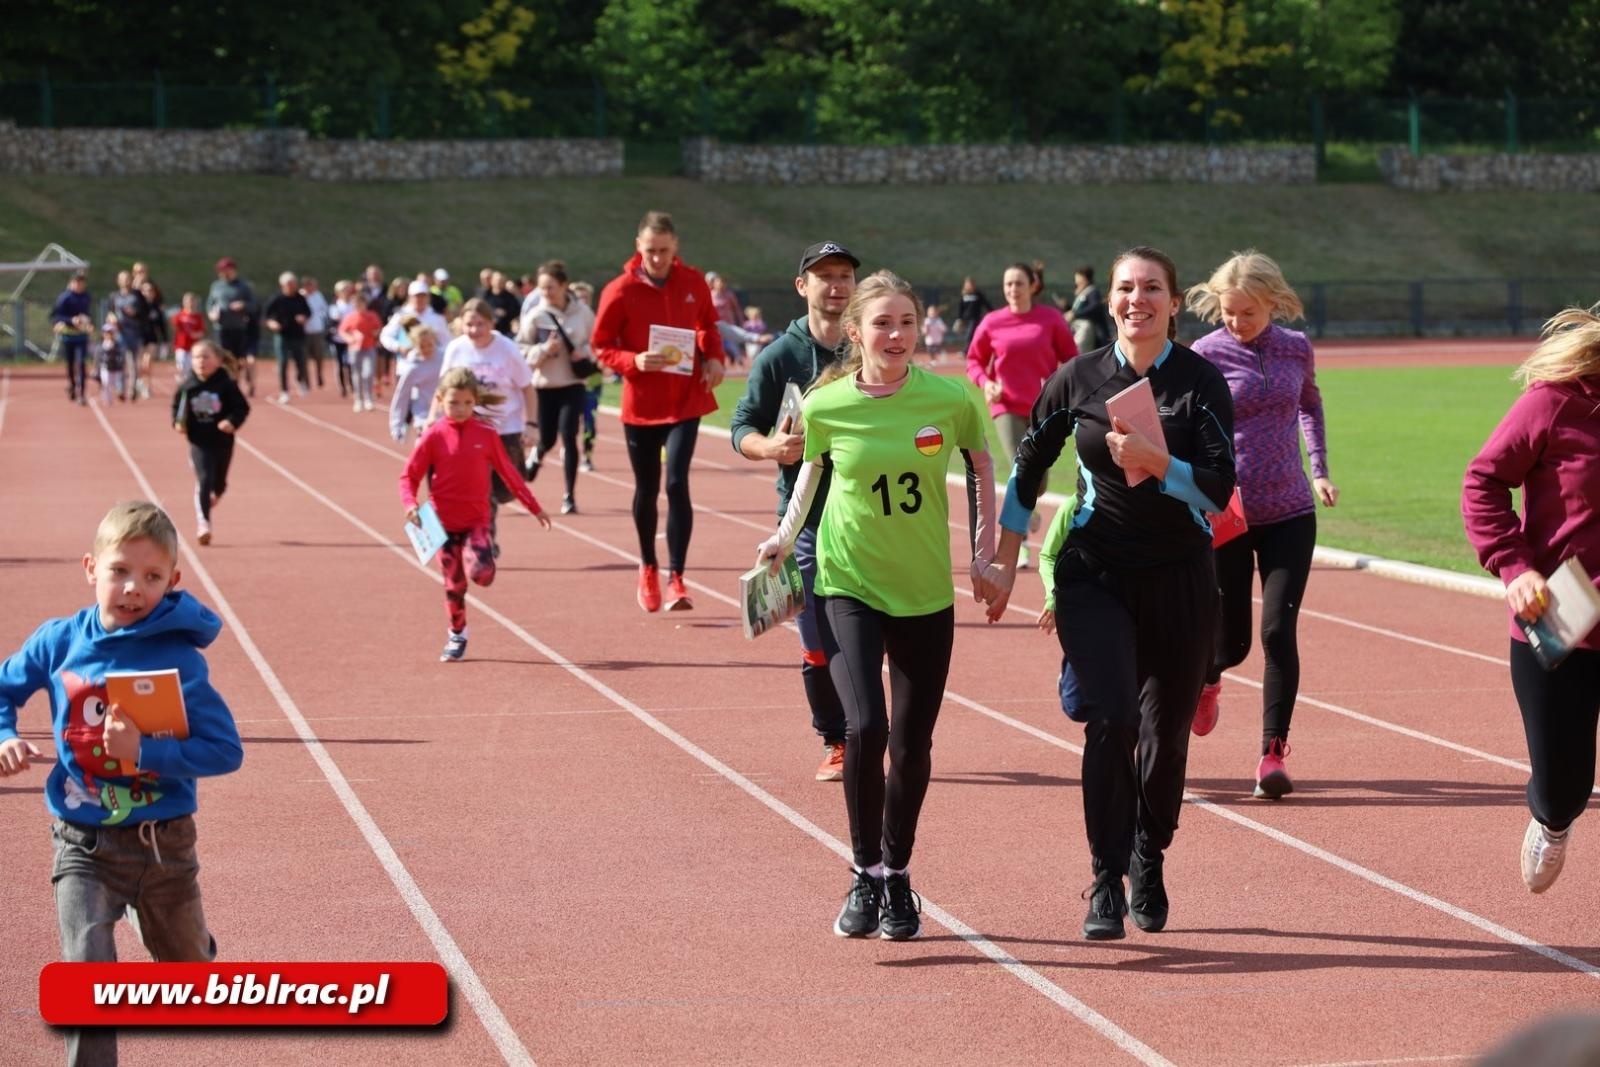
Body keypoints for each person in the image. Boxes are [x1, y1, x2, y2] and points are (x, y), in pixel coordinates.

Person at [990, 245, 1236, 941]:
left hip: (1181, 576)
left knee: (1165, 735)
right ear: (1111, 300)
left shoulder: (1199, 381)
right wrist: (1007, 561)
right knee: (1113, 718)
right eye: (1126, 287)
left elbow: (1219, 489)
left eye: (1152, 288)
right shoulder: (1078, 377)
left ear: (1175, 301)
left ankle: (1147, 854)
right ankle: (1104, 877)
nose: (1137, 299)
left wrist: (1158, 461)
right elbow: (1028, 467)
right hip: (1094, 573)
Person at [756, 269, 1004, 940]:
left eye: (906, 323)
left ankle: (897, 875)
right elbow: (811, 468)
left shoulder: (951, 399)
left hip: (924, 590)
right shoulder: (827, 402)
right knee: (866, 726)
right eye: (882, 323)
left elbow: (983, 466)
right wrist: (782, 538)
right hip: (849, 582)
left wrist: (984, 556)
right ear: (856, 331)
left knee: (913, 743)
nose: (895, 335)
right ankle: (863, 871)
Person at [0, 500, 244, 1067]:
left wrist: (147, 752)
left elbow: (225, 750)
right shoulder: (58, 641)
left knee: (189, 978)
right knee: (86, 976)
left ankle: (179, 937)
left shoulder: (179, 661)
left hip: (163, 846)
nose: (134, 588)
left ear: (173, 581)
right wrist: (5, 735)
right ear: (91, 569)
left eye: (152, 576)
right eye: (120, 572)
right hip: (83, 842)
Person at [1185, 251, 1338, 799]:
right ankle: (1207, 678)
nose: (1236, 322)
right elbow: (1184, 426)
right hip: (1228, 511)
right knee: (1231, 644)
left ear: (1273, 301)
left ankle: (1272, 753)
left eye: (1247, 312)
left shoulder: (1296, 348)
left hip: (1291, 511)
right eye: (1228, 312)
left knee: (1277, 632)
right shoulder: (1204, 354)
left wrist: (1319, 470)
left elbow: (1310, 407)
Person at [1463, 302, 1600, 895]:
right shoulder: (1558, 401)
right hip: (1564, 616)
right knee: (1565, 782)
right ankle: (1552, 819)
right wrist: (1514, 566)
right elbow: (1485, 481)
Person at [731, 240, 860, 783]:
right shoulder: (779, 357)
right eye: (823, 276)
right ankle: (835, 738)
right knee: (815, 639)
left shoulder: (868, 345)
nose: (835, 285)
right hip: (803, 518)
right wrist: (771, 449)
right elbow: (742, 427)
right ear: (802, 286)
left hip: (864, 515)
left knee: (865, 634)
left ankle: (867, 730)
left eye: (844, 275)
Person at [592, 210, 725, 613]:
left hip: (686, 399)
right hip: (642, 406)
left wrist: (714, 357)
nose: (657, 258)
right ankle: (648, 565)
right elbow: (601, 345)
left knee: (677, 484)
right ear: (638, 247)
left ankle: (677, 578)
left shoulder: (693, 282)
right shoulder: (619, 289)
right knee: (647, 489)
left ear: (675, 248)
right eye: (650, 251)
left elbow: (708, 325)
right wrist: (633, 361)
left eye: (664, 251)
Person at [401, 368, 552, 661]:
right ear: (441, 400)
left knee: (481, 574)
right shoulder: (433, 436)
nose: (460, 410)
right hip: (441, 526)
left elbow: (510, 474)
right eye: (453, 403)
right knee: (454, 585)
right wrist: (410, 504)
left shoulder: (485, 434)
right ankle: (457, 635)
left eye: (468, 403)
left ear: (475, 401)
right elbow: (408, 477)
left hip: (475, 523)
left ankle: (480, 563)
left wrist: (534, 507)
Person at [966, 261, 1079, 568]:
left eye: (1018, 283)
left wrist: (1061, 387)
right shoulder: (992, 322)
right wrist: (986, 383)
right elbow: (974, 361)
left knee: (1038, 482)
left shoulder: (1050, 319)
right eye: (1007, 285)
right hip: (1004, 406)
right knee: (1022, 468)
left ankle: (1032, 511)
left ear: (1033, 286)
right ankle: (1022, 546)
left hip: (1043, 408)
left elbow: (1071, 359)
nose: (1012, 290)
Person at [433, 299, 537, 551]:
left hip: (506, 429)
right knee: (483, 490)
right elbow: (443, 388)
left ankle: (488, 525)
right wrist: (433, 420)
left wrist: (532, 423)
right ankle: (486, 540)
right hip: (470, 429)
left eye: (480, 324)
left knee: (507, 490)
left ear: (491, 323)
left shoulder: (507, 349)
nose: (474, 330)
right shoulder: (456, 349)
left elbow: (527, 387)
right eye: (469, 324)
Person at [518, 260, 595, 515]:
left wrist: (583, 353)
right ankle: (536, 457)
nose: (546, 293)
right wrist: (543, 350)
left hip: (573, 384)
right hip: (545, 386)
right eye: (542, 289)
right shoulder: (536, 315)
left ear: (563, 286)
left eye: (550, 287)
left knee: (569, 435)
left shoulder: (582, 313)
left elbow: (598, 342)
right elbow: (520, 348)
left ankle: (569, 496)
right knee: (548, 438)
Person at [172, 339, 250, 546]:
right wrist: (178, 424)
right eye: (196, 357)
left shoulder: (226, 383)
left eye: (206, 357)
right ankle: (204, 524)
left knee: (219, 484)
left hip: (223, 441)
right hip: (199, 441)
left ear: (218, 360)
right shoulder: (187, 385)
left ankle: (213, 495)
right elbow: (177, 410)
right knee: (204, 479)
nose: (200, 361)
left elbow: (242, 408)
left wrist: (231, 421)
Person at [383, 281, 452, 439]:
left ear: (427, 297)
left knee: (429, 396)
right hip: (407, 366)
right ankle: (410, 424)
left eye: (422, 296)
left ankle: (421, 423)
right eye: (416, 296)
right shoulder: (401, 315)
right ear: (410, 297)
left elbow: (447, 342)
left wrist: (437, 353)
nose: (419, 300)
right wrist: (399, 347)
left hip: (434, 367)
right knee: (407, 396)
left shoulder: (436, 318)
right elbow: (385, 335)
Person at [207, 257, 258, 398]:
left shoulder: (243, 286)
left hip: (239, 328)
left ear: (233, 270)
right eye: (221, 271)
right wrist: (211, 313)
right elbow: (210, 304)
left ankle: (235, 384)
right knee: (221, 358)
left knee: (236, 359)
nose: (223, 273)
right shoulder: (216, 286)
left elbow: (253, 305)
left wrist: (243, 305)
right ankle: (223, 386)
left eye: (226, 270)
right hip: (221, 328)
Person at [263, 271, 311, 404]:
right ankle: (284, 391)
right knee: (283, 362)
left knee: (301, 362)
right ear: (282, 285)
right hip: (282, 336)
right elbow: (266, 315)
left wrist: (304, 318)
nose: (291, 286)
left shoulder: (300, 298)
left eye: (293, 284)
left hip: (298, 335)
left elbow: (308, 312)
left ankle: (300, 380)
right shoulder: (277, 299)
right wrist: (271, 323)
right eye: (288, 284)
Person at [50, 271, 93, 405]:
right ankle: (72, 384)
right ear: (72, 283)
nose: (80, 286)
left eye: (82, 283)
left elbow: (87, 314)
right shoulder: (64, 298)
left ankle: (82, 393)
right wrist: (71, 320)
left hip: (82, 336)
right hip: (68, 336)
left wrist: (88, 322)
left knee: (81, 364)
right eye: (77, 283)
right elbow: (55, 316)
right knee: (70, 364)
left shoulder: (87, 297)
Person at [338, 291, 383, 414]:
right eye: (356, 304)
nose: (358, 306)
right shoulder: (350, 317)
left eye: (361, 303)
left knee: (368, 373)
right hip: (354, 349)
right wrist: (350, 338)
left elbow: (378, 328)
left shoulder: (372, 315)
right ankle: (358, 399)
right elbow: (342, 331)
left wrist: (375, 333)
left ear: (365, 304)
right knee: (356, 374)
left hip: (369, 347)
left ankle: (369, 398)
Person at [109, 270, 147, 402]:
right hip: (120, 333)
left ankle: (132, 389)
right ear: (118, 281)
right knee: (121, 361)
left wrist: (134, 313)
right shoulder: (114, 296)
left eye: (128, 278)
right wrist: (112, 318)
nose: (125, 281)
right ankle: (120, 388)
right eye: (123, 279)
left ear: (131, 280)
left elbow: (145, 313)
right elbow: (110, 312)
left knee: (133, 362)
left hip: (134, 333)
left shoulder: (137, 295)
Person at [1067, 265, 1111, 353]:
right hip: (1080, 331)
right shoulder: (1082, 293)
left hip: (1093, 332)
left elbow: (1094, 307)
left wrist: (1075, 314)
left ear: (1084, 278)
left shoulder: (1092, 291)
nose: (1076, 280)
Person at [301, 275, 330, 391]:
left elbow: (325, 309)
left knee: (319, 356)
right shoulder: (301, 296)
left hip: (317, 330)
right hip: (304, 332)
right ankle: (306, 380)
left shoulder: (318, 295)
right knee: (304, 358)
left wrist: (321, 317)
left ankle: (319, 375)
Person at [171, 291, 206, 384]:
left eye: (192, 301)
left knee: (191, 368)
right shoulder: (179, 315)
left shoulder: (198, 317)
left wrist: (196, 334)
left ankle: (188, 383)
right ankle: (183, 381)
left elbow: (202, 332)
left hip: (193, 347)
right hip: (181, 346)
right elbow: (174, 327)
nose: (190, 303)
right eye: (187, 301)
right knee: (181, 365)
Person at [96, 320, 127, 406]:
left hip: (115, 368)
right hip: (105, 367)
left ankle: (120, 393)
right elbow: (98, 358)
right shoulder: (100, 345)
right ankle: (107, 400)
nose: (108, 334)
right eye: (106, 332)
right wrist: (97, 369)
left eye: (110, 332)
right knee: (106, 383)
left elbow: (121, 355)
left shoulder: (117, 345)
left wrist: (121, 364)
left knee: (115, 384)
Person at [954, 275, 992, 343]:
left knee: (969, 334)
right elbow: (961, 307)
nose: (970, 285)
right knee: (970, 334)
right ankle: (971, 348)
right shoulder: (964, 295)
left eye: (971, 284)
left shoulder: (978, 294)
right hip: (966, 318)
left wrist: (992, 312)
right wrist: (959, 318)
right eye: (968, 284)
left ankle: (966, 350)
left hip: (975, 318)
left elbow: (986, 304)